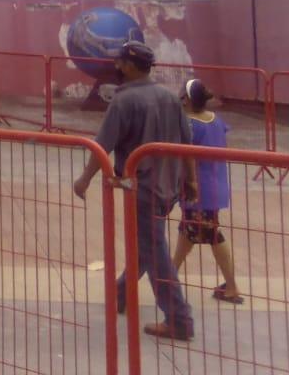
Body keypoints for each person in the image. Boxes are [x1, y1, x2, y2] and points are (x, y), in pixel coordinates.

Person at [74, 40, 197, 341]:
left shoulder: (123, 101)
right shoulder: (169, 98)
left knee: (154, 253)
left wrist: (85, 178)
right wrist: (191, 181)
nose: (116, 67)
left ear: (129, 66)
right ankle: (120, 292)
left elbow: (103, 144)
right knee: (147, 244)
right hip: (169, 185)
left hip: (141, 188)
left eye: (119, 62)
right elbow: (186, 142)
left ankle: (179, 318)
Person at [173, 78, 243, 305]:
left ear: (187, 99)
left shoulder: (189, 125)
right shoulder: (216, 120)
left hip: (197, 189)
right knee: (189, 230)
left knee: (210, 233)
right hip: (217, 185)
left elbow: (187, 156)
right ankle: (169, 274)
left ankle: (231, 286)